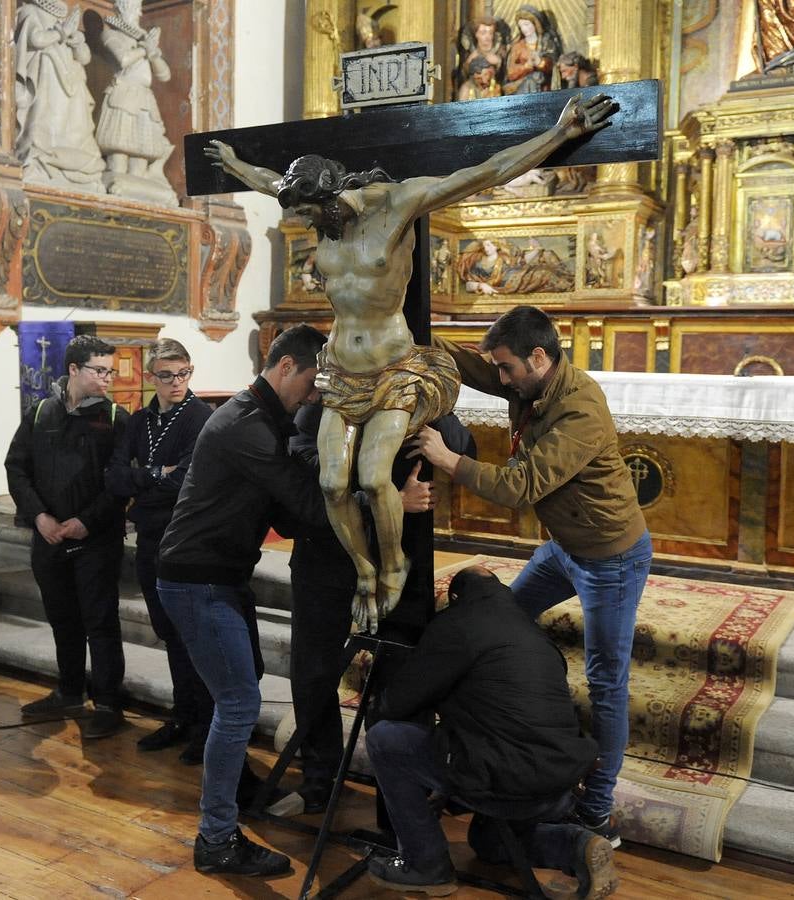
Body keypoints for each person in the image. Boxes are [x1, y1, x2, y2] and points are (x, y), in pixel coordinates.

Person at [204, 91, 618, 635]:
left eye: (306, 214)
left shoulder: (396, 206)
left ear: (328, 198)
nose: (303, 226)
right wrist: (235, 166)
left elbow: (487, 171)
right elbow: (268, 181)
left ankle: (393, 566)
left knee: (375, 480)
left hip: (394, 369)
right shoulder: (316, 214)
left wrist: (561, 134)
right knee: (332, 484)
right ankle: (364, 571)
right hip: (341, 372)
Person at [410, 305, 653, 849]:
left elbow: (522, 486)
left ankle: (595, 812)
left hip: (610, 558)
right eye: (499, 369)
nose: (499, 380)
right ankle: (491, 753)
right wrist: (412, 335)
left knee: (607, 682)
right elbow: (474, 367)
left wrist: (448, 460)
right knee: (501, 627)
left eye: (507, 369)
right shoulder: (527, 380)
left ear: (538, 357)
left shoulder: (580, 409)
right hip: (564, 548)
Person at [155, 324, 331, 878]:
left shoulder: (264, 418)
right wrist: (386, 499)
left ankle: (233, 801)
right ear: (285, 367)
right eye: (310, 380)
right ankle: (216, 839)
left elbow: (281, 511)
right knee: (238, 705)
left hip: (220, 577)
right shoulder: (245, 425)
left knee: (240, 688)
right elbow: (302, 504)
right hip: (197, 580)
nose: (313, 392)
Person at [364, 565, 618, 898]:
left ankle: (426, 865)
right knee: (487, 842)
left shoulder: (455, 626)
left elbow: (395, 704)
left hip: (505, 777)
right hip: (559, 783)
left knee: (385, 740)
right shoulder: (536, 636)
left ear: (455, 597)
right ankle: (577, 845)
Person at [285, 402, 464, 812]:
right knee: (313, 674)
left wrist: (436, 414)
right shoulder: (321, 408)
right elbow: (313, 477)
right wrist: (392, 498)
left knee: (395, 684)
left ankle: (396, 800)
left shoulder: (413, 399)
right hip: (324, 560)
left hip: (397, 563)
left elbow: (458, 446)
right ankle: (319, 778)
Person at [5, 335, 130, 739]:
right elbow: (16, 467)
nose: (107, 378)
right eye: (99, 370)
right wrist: (39, 515)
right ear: (74, 370)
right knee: (63, 618)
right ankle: (70, 690)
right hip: (49, 536)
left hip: (95, 538)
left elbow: (120, 482)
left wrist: (86, 521)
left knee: (101, 622)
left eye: (110, 370)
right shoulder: (41, 412)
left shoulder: (116, 419)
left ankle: (109, 703)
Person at [104, 338, 213, 763]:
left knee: (191, 633)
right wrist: (153, 474)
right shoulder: (141, 420)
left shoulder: (200, 417)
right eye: (167, 376)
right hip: (149, 535)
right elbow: (113, 477)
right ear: (152, 376)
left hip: (183, 537)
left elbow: (184, 480)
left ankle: (205, 724)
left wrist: (142, 478)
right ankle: (183, 715)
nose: (177, 383)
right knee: (168, 632)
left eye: (184, 373)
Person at [13, 0, 106, 191]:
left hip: (71, 84)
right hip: (47, 81)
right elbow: (36, 39)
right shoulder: (30, 11)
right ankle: (41, 155)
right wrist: (61, 32)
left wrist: (77, 41)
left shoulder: (63, 17)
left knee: (75, 126)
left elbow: (85, 57)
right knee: (45, 122)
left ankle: (70, 162)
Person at [95, 0, 176, 204]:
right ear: (121, 7)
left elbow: (164, 74)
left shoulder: (143, 38)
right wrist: (144, 48)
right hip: (123, 96)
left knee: (141, 159)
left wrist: (153, 52)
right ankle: (116, 194)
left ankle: (141, 199)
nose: (139, 11)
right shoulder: (111, 34)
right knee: (118, 157)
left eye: (139, 6)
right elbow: (123, 59)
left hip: (144, 100)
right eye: (133, 5)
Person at [503, 6, 560, 95]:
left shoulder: (546, 42)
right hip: (521, 89)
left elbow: (554, 65)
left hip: (545, 89)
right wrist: (526, 66)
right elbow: (510, 73)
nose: (524, 29)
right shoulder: (517, 46)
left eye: (527, 24)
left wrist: (540, 62)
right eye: (521, 25)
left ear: (535, 24)